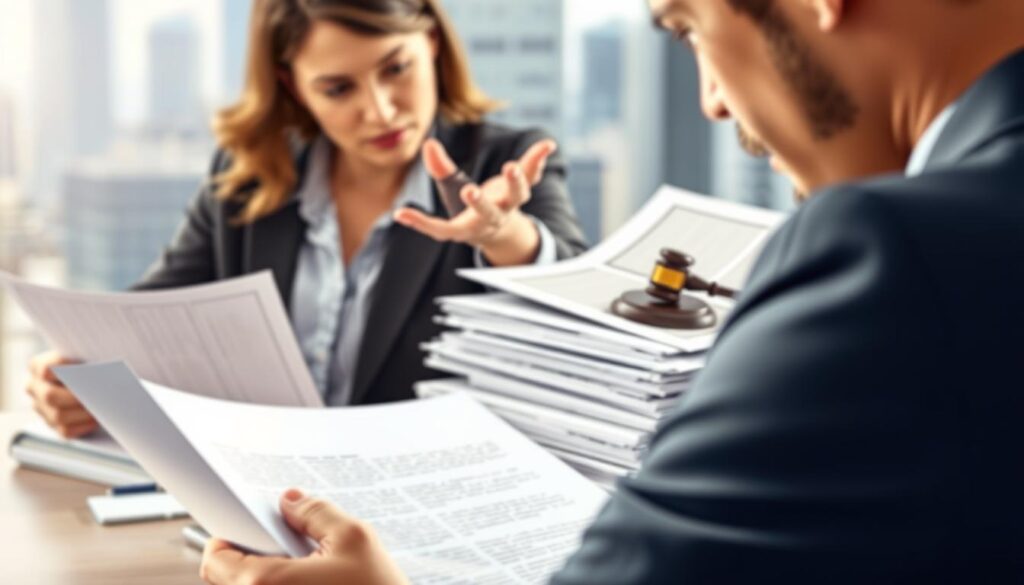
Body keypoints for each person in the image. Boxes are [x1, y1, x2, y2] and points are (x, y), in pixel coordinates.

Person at [198, 0, 1024, 582]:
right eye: (337, 86)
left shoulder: (889, 253)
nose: (710, 99)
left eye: (690, 26)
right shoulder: (248, 186)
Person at [25, 0, 588, 438]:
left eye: (397, 68)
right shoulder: (249, 175)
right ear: (294, 85)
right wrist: (76, 375)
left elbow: (574, 303)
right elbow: (146, 319)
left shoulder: (505, 160)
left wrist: (500, 235)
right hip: (269, 505)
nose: (381, 110)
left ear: (433, 42)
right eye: (338, 88)